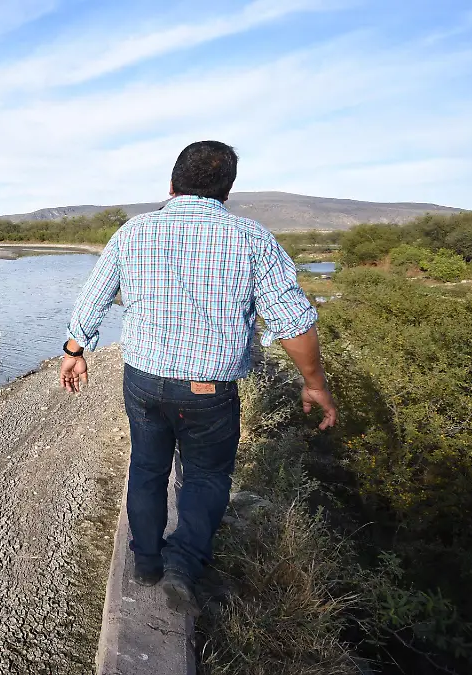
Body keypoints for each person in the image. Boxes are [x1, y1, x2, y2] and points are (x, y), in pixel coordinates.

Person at [58, 140, 338, 616]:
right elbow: (293, 322)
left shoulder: (134, 231)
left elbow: (95, 295)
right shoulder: (251, 237)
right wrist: (314, 382)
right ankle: (183, 566)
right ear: (226, 191)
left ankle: (146, 563)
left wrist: (74, 350)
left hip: (143, 380)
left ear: (171, 184)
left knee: (148, 467)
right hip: (208, 390)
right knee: (207, 475)